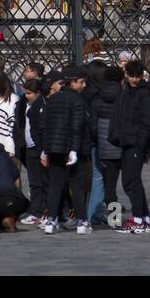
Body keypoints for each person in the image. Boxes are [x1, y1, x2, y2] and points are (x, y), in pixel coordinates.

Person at [111, 59, 150, 233]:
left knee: (130, 181)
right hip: (127, 141)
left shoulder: (145, 93)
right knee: (132, 180)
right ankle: (144, 217)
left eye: (136, 76)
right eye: (130, 76)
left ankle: (138, 218)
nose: (133, 79)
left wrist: (142, 145)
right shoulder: (126, 92)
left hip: (136, 143)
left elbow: (147, 123)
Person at [40, 68, 91, 235]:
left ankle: (51, 220)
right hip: (72, 148)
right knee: (77, 185)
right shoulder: (77, 100)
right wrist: (75, 150)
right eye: (81, 82)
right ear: (73, 82)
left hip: (54, 148)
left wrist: (45, 150)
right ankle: (82, 221)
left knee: (55, 185)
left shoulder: (52, 99)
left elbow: (45, 127)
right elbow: (77, 127)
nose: (84, 85)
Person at [89, 64, 125, 227]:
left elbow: (93, 126)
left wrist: (98, 141)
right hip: (123, 145)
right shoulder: (125, 96)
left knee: (109, 186)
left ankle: (114, 219)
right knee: (132, 183)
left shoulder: (97, 98)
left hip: (104, 146)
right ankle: (137, 216)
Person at [15, 66, 48, 225]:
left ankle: (46, 210)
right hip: (27, 146)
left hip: (39, 146)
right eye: (25, 93)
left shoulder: (42, 106)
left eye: (29, 94)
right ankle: (36, 210)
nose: (26, 96)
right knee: (34, 181)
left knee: (44, 181)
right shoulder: (22, 104)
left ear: (38, 93)